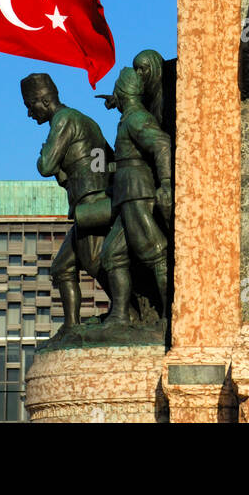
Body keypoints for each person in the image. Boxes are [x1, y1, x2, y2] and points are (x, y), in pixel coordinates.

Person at [21, 72, 113, 333]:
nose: (30, 114)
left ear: (44, 101)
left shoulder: (63, 121)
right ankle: (72, 326)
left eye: (31, 107)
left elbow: (46, 165)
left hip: (90, 204)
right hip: (94, 200)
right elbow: (107, 158)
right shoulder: (87, 121)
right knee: (63, 266)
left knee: (96, 262)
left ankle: (126, 309)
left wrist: (44, 156)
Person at [99, 67, 172, 325]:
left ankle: (171, 313)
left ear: (123, 91)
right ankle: (120, 314)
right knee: (111, 254)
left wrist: (165, 182)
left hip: (137, 193)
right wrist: (117, 102)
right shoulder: (129, 116)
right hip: (126, 194)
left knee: (155, 253)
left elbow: (161, 143)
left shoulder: (136, 118)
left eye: (117, 90)